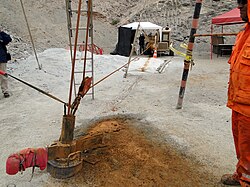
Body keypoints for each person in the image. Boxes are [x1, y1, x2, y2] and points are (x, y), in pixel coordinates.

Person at [221, 0, 250, 186]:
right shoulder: (243, 34)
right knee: (243, 147)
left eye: (242, 3)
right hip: (238, 104)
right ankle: (242, 176)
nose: (238, 7)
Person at [0, 30, 12, 98]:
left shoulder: (1, 35)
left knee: (3, 76)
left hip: (2, 58)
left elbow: (8, 39)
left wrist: (1, 33)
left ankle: (5, 91)